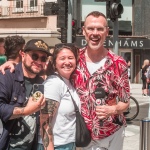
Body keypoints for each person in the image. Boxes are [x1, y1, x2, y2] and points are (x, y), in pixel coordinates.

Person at [71, 11, 130, 150]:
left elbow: (125, 102)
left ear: (107, 32)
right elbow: (46, 71)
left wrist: (113, 109)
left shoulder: (118, 63)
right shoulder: (73, 59)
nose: (95, 33)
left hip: (112, 135)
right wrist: (12, 63)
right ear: (84, 31)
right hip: (81, 136)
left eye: (100, 29)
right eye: (91, 28)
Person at [0, 39, 52, 150]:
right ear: (23, 54)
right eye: (34, 56)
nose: (39, 61)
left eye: (43, 58)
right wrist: (27, 110)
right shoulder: (7, 76)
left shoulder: (41, 83)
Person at [39, 43, 80, 150]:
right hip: (56, 146)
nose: (67, 62)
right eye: (62, 58)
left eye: (70, 58)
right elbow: (44, 122)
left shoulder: (68, 82)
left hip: (68, 144)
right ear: (55, 63)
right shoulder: (54, 83)